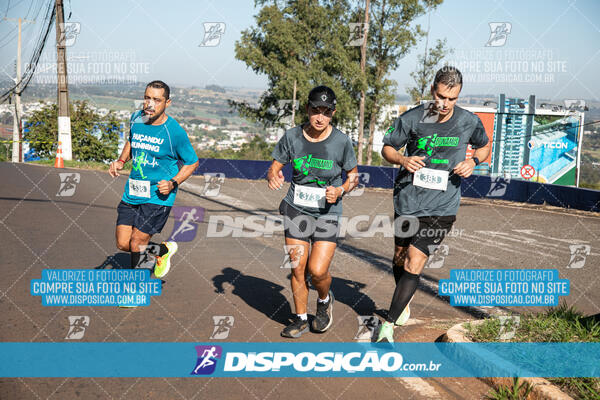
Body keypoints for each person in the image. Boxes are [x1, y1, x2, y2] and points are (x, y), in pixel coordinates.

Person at [378, 66, 491, 342]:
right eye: (441, 96)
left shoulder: (468, 121)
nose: (445, 104)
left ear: (458, 96)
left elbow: (485, 146)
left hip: (443, 206)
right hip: (408, 200)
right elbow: (387, 148)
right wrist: (403, 160)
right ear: (433, 90)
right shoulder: (414, 118)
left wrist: (473, 161)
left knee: (415, 261)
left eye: (452, 98)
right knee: (400, 258)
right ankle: (402, 302)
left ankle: (387, 327)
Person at [267, 85, 358, 338]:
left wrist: (340, 190)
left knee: (317, 271)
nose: (320, 117)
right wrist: (274, 174)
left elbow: (353, 177)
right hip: (296, 209)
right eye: (316, 111)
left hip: (327, 212)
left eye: (326, 112)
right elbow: (274, 166)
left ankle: (325, 299)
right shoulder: (292, 137)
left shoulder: (340, 142)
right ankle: (299, 318)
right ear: (307, 109)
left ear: (333, 113)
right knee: (298, 268)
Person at [109, 80, 199, 285]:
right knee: (124, 244)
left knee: (137, 242)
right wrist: (121, 160)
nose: (150, 104)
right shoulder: (136, 118)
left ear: (167, 103)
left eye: (156, 100)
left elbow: (192, 162)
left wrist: (173, 183)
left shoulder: (174, 131)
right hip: (132, 191)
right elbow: (132, 140)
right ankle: (163, 250)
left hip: (158, 195)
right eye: (147, 98)